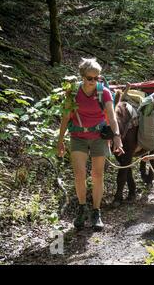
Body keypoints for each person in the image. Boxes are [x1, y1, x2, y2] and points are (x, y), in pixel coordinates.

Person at [57, 58, 124, 231]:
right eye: (89, 78)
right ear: (82, 76)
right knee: (79, 174)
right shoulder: (72, 92)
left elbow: (111, 115)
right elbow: (65, 117)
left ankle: (96, 211)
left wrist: (116, 136)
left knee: (97, 175)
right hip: (78, 135)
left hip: (98, 136)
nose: (93, 81)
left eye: (96, 78)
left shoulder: (104, 92)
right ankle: (82, 209)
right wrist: (60, 141)